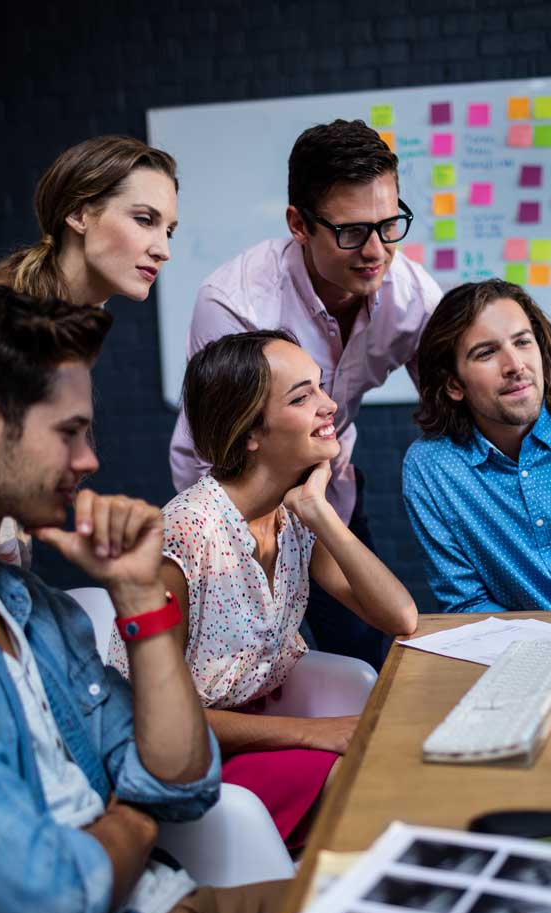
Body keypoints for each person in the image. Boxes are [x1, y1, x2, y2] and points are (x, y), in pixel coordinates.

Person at [0, 283, 286, 913]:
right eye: (70, 432)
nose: (91, 460)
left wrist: (137, 596)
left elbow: (186, 779)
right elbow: (43, 903)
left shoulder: (33, 605)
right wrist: (136, 818)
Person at [115, 329, 417, 848]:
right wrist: (310, 732)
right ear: (249, 431)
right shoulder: (186, 532)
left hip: (253, 740)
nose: (328, 406)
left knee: (394, 760)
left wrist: (321, 512)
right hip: (179, 763)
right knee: (370, 782)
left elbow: (400, 617)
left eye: (320, 387)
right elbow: (153, 714)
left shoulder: (294, 515)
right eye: (301, 397)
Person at [169, 119, 441, 669]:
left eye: (390, 225)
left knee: (366, 655)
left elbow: (455, 400)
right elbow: (222, 446)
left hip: (325, 491)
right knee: (233, 667)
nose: (376, 251)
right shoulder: (237, 303)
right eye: (351, 232)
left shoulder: (411, 297)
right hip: (233, 504)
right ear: (298, 223)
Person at [0, 133, 179, 565]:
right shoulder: (9, 325)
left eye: (168, 230)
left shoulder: (69, 319)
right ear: (78, 212)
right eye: (144, 219)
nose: (162, 249)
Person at [402, 279, 551, 613]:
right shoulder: (433, 468)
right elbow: (467, 603)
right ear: (453, 384)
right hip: (533, 653)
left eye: (522, 342)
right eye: (487, 353)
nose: (515, 365)